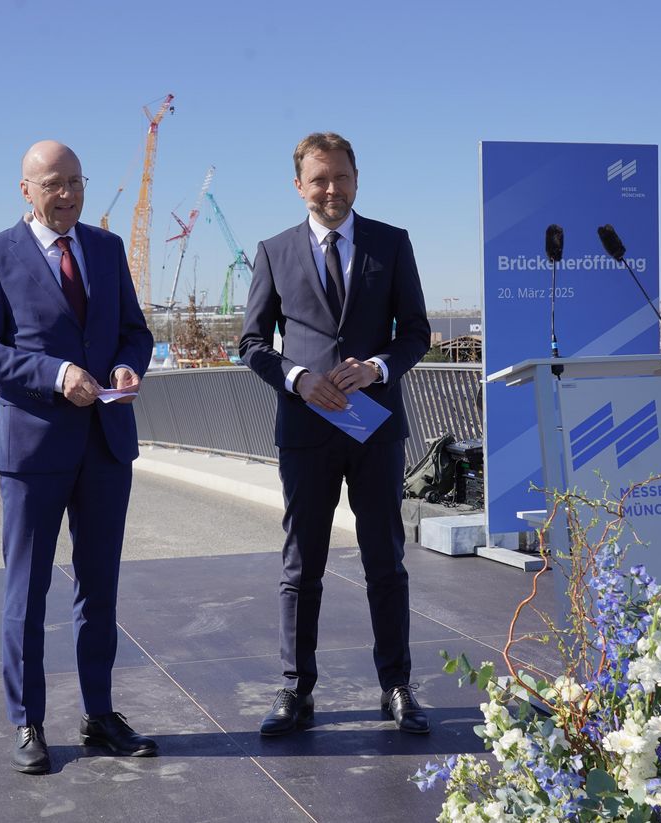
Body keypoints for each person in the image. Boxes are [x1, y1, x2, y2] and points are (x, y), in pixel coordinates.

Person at [0, 140, 156, 774]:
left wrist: (126, 365)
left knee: (100, 588)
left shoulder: (107, 248)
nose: (68, 194)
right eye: (53, 184)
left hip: (105, 443)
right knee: (28, 591)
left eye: (76, 181)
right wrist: (54, 373)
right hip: (33, 449)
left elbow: (135, 331)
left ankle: (99, 716)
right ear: (26, 190)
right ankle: (28, 722)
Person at [239, 132, 431, 736]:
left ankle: (396, 686)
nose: (331, 189)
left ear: (356, 178)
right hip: (306, 430)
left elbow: (417, 332)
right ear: (299, 185)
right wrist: (296, 379)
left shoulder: (391, 243)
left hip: (374, 428)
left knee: (386, 562)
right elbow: (251, 343)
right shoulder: (273, 251)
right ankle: (295, 690)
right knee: (302, 566)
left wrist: (377, 368)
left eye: (341, 177)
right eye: (319, 179)